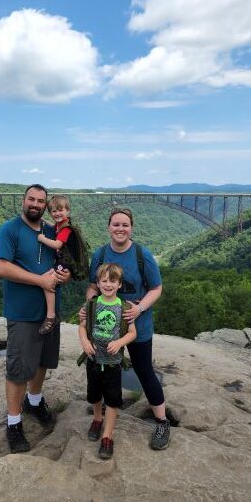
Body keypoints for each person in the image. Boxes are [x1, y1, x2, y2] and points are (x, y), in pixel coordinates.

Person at [81, 207, 170, 450]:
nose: (120, 229)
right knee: (100, 373)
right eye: (116, 224)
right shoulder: (100, 255)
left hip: (137, 326)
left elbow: (156, 288)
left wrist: (140, 309)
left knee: (144, 371)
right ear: (108, 227)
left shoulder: (143, 255)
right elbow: (93, 286)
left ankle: (162, 421)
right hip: (104, 328)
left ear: (131, 228)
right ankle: (100, 420)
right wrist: (88, 306)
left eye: (125, 225)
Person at [0, 184, 70, 454]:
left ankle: (34, 402)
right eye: (31, 199)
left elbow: (65, 260)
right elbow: (0, 267)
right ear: (23, 201)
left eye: (40, 201)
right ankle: (14, 423)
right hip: (23, 313)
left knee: (42, 361)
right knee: (18, 369)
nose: (35, 204)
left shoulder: (52, 231)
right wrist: (39, 280)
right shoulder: (10, 229)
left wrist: (65, 276)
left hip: (50, 311)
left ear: (46, 205)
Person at [79, 263, 136, 459]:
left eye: (113, 281)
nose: (108, 284)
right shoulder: (92, 304)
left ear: (120, 284)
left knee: (112, 399)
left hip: (113, 363)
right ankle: (97, 418)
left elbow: (132, 333)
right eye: (104, 280)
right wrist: (85, 341)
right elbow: (82, 326)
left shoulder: (125, 307)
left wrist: (120, 342)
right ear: (98, 283)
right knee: (94, 395)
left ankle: (107, 436)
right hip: (94, 360)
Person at [37, 194, 74, 335]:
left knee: (48, 282)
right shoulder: (61, 225)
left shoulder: (66, 229)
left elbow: (57, 244)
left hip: (64, 263)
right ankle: (51, 315)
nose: (57, 213)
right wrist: (44, 221)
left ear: (67, 211)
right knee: (44, 279)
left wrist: (42, 238)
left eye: (61, 210)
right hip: (61, 261)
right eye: (54, 211)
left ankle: (51, 316)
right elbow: (54, 226)